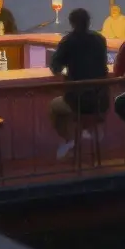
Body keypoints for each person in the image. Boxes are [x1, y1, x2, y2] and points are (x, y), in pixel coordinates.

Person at [48, 8, 109, 159]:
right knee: (83, 113)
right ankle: (85, 131)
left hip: (77, 100)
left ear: (72, 23)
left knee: (54, 106)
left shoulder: (68, 41)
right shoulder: (100, 40)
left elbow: (55, 67)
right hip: (100, 100)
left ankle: (70, 140)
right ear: (89, 22)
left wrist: (66, 73)